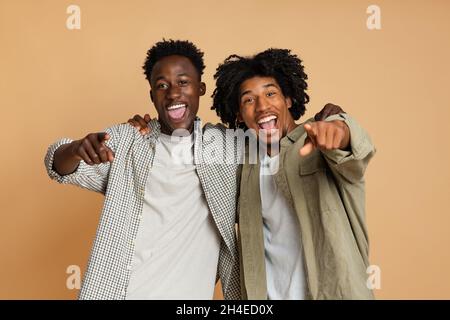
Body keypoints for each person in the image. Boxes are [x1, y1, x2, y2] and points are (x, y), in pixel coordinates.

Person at [44, 39, 243, 300]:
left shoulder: (225, 147)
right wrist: (75, 148)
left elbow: (274, 147)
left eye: (183, 82)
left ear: (200, 88)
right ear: (152, 95)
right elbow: (59, 168)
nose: (173, 93)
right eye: (162, 85)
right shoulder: (129, 140)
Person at [209, 48, 376, 299]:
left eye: (270, 93)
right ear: (239, 116)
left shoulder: (317, 138)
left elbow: (352, 150)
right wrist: (144, 128)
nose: (262, 106)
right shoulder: (244, 163)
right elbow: (194, 138)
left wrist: (341, 130)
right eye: (249, 100)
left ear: (288, 99)